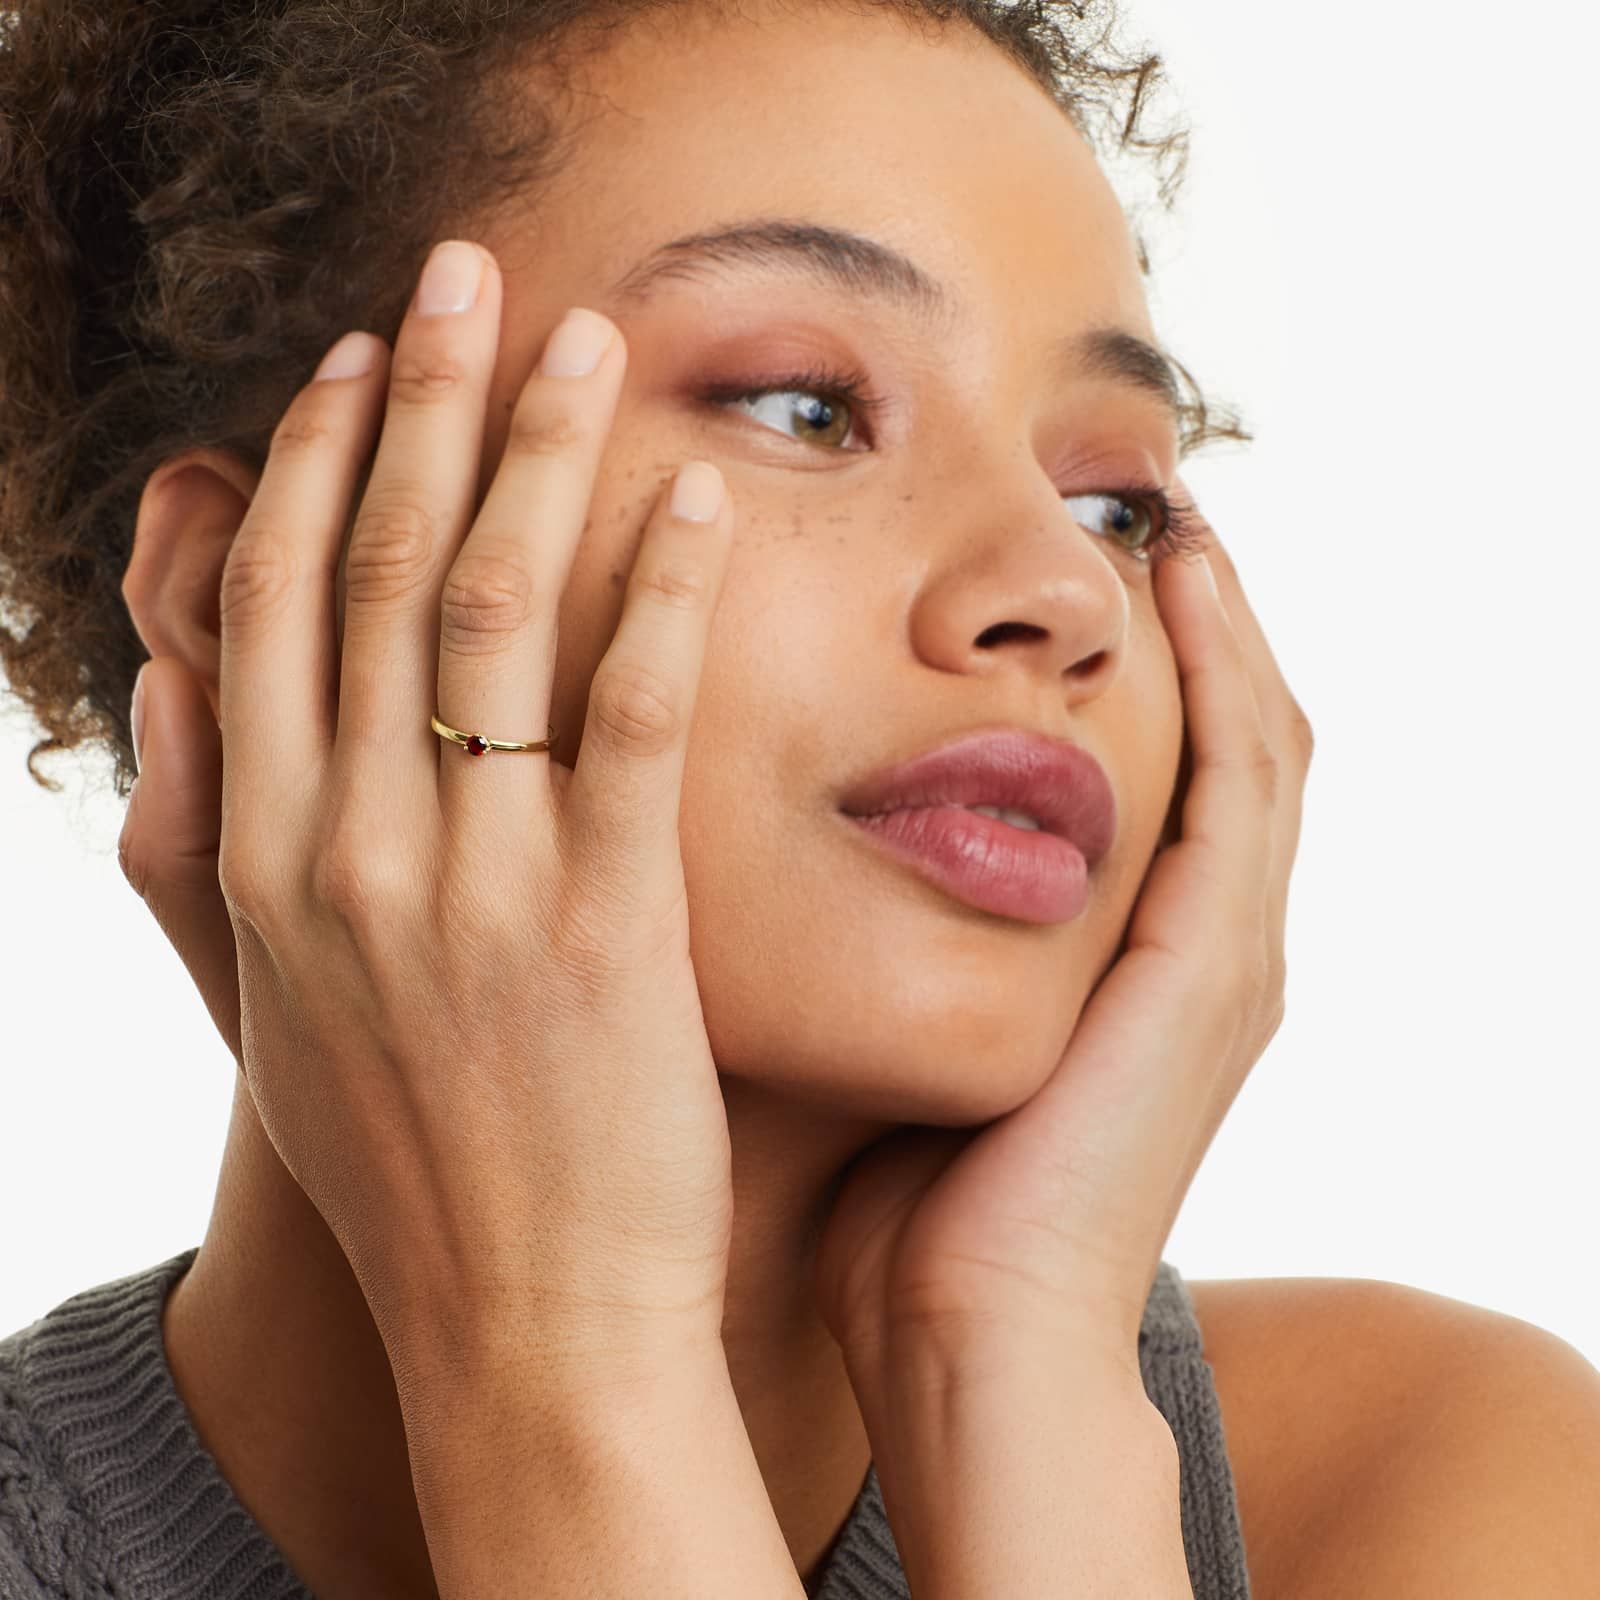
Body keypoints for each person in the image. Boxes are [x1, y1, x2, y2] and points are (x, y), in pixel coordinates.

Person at [2, 1, 1597, 1596]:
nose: (1063, 586)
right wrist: (568, 1357)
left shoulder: (1419, 1489)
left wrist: (1015, 1373)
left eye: (1115, 501)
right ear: (246, 591)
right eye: (806, 408)